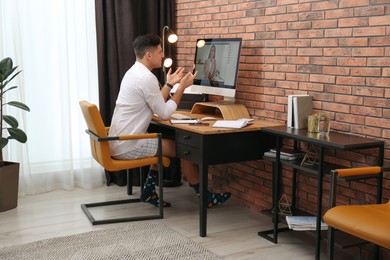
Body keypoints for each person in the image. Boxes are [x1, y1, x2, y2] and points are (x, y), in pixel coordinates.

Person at [109, 34, 231, 208]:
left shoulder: (134, 72)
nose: (163, 56)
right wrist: (181, 87)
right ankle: (205, 197)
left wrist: (169, 84)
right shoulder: (146, 78)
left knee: (166, 144)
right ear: (149, 55)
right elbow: (164, 113)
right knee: (184, 148)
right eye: (160, 52)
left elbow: (155, 103)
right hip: (128, 144)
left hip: (119, 140)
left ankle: (149, 191)